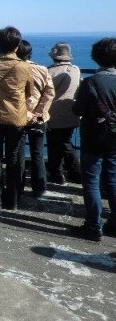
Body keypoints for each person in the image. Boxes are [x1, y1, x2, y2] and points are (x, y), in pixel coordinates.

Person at [0, 26, 33, 210]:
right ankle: (14, 199)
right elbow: (29, 92)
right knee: (14, 158)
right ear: (17, 45)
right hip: (16, 118)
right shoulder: (24, 66)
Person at [70, 37, 116, 242]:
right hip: (115, 136)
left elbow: (78, 109)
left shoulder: (91, 82)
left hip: (93, 136)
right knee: (113, 178)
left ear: (96, 57)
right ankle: (114, 223)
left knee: (91, 180)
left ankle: (93, 225)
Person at [16, 40, 54, 198]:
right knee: (37, 153)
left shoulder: (14, 70)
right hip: (39, 119)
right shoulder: (42, 69)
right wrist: (39, 113)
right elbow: (49, 93)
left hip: (18, 117)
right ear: (30, 53)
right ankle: (39, 188)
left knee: (18, 154)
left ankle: (18, 188)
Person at [47, 42, 82, 185]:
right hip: (71, 114)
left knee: (55, 145)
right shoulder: (75, 70)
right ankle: (73, 173)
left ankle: (59, 174)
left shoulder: (50, 72)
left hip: (53, 114)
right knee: (65, 142)